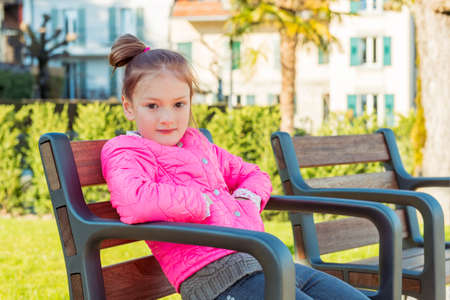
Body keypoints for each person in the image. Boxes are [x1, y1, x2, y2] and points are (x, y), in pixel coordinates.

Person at [101, 33, 370, 300]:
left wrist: (247, 199)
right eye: (152, 106)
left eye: (179, 104)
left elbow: (253, 174)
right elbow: (133, 199)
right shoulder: (126, 150)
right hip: (219, 279)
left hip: (265, 262)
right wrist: (202, 203)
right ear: (129, 107)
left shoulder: (197, 144)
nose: (168, 118)